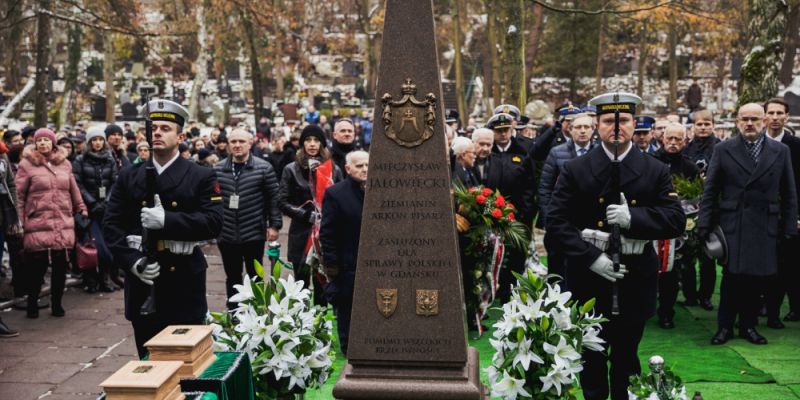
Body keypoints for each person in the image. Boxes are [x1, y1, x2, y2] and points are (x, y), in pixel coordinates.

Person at [545, 92, 684, 400]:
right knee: (591, 359)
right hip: (588, 278)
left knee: (626, 358)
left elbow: (675, 219)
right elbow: (555, 222)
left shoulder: (655, 169)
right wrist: (591, 257)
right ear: (597, 124)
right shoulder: (576, 169)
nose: (617, 127)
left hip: (634, 279)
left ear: (635, 124)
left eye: (624, 121)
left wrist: (632, 217)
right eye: (609, 121)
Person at [103, 99, 224, 358]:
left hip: (183, 278)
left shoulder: (200, 175)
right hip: (144, 280)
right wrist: (132, 262)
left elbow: (214, 222)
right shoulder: (129, 176)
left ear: (180, 136)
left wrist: (168, 220)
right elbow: (111, 225)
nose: (156, 132)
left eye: (165, 128)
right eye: (153, 127)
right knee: (148, 363)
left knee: (186, 363)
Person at [699, 103, 798, 346]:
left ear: (764, 121)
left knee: (757, 279)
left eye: (755, 119)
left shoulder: (780, 150)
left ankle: (748, 326)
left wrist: (789, 229)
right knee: (732, 278)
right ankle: (724, 327)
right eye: (745, 119)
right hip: (734, 223)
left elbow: (789, 192)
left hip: (765, 223)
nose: (750, 123)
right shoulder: (724, 149)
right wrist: (704, 225)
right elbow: (710, 191)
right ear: (737, 122)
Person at [16, 128, 88, 318]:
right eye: (39, 141)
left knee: (60, 266)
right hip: (37, 220)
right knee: (36, 268)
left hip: (62, 220)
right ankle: (33, 302)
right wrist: (20, 220)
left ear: (53, 143)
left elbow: (73, 190)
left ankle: (57, 303)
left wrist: (81, 208)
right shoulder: (26, 164)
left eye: (46, 140)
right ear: (35, 143)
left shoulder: (64, 164)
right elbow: (19, 195)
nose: (43, 144)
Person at [213, 129, 282, 310]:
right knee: (233, 276)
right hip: (227, 233)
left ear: (250, 143)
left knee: (255, 275)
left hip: (253, 231)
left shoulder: (263, 168)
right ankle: (235, 312)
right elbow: (212, 200)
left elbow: (273, 198)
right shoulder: (218, 169)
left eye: (241, 141)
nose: (237, 145)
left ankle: (258, 310)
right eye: (233, 141)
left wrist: (274, 225)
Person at [278, 125, 342, 290]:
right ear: (302, 144)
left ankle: (320, 315)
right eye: (308, 140)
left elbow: (342, 198)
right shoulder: (291, 169)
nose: (312, 144)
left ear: (322, 143)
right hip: (301, 232)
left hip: (325, 233)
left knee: (323, 285)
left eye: (316, 140)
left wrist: (327, 216)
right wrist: (305, 214)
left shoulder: (333, 169)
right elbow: (282, 201)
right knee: (301, 285)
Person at [319, 150, 368, 356]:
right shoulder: (336, 193)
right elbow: (328, 233)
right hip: (348, 261)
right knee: (347, 306)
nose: (365, 169)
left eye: (367, 165)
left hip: (375, 261)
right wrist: (332, 265)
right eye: (359, 166)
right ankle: (348, 346)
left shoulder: (382, 190)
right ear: (348, 169)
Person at [652, 123, 700, 329]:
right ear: (662, 138)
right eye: (669, 139)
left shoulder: (689, 167)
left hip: (676, 229)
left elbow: (697, 196)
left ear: (685, 141)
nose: (673, 143)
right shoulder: (650, 161)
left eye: (678, 140)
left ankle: (666, 313)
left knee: (671, 273)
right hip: (651, 225)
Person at [539, 114, 597, 280]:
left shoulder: (600, 152)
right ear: (570, 130)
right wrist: (548, 219)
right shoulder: (557, 153)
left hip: (591, 221)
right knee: (558, 269)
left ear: (593, 130)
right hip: (562, 220)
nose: (583, 131)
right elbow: (545, 188)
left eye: (587, 127)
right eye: (578, 127)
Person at [763, 97, 800, 323]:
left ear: (786, 117)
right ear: (765, 116)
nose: (775, 118)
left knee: (792, 263)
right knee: (766, 263)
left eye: (780, 114)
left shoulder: (796, 146)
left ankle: (796, 306)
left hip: (790, 213)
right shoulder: (756, 143)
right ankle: (766, 306)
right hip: (764, 213)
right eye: (772, 113)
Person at [73, 126, 120, 293]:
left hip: (106, 208)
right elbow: (78, 184)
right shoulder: (80, 160)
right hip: (88, 209)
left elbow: (115, 182)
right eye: (94, 140)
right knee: (92, 246)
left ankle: (104, 279)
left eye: (100, 139)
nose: (98, 143)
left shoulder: (109, 159)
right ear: (89, 142)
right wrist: (92, 202)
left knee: (107, 245)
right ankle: (90, 279)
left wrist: (107, 201)